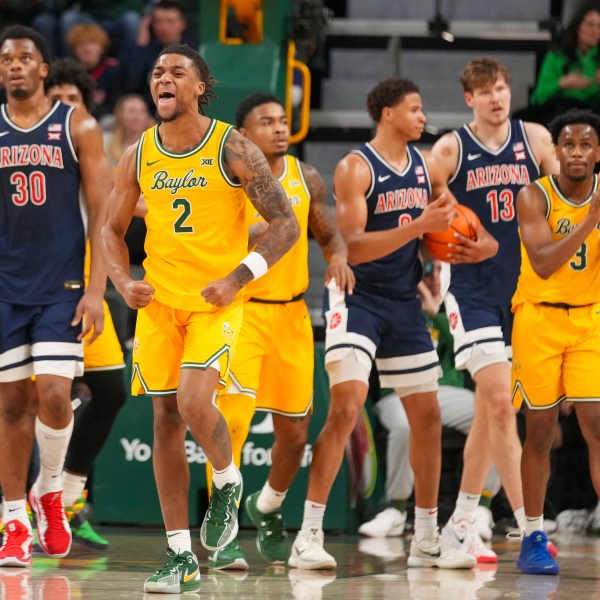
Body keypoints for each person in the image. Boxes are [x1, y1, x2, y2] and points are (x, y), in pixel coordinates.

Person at [101, 44, 299, 593]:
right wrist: (123, 282)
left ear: (200, 88)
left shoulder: (232, 147)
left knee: (193, 402)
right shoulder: (139, 153)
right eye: (157, 71)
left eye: (177, 72)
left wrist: (237, 278)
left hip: (218, 301)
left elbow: (285, 225)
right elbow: (108, 232)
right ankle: (180, 556)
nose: (163, 77)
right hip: (159, 302)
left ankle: (228, 481)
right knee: (165, 422)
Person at [288, 77, 478, 571]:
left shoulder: (428, 165)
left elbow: (448, 216)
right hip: (356, 297)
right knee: (347, 406)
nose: (422, 117)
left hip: (402, 300)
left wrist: (451, 251)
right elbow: (351, 243)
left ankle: (428, 535)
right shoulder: (356, 167)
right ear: (387, 113)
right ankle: (309, 534)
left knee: (429, 416)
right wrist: (420, 227)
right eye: (414, 109)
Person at [204, 92, 354, 570]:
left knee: (294, 437)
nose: (279, 128)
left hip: (291, 317)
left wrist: (338, 258)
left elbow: (328, 233)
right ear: (243, 135)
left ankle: (267, 507)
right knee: (229, 427)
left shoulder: (305, 176)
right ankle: (222, 534)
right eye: (266, 122)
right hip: (243, 312)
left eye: (283, 120)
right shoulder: (228, 180)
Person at [430, 56, 559, 562]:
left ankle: (459, 523)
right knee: (502, 407)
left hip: (525, 293)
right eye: (485, 92)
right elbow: (428, 211)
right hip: (472, 292)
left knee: (490, 412)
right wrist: (472, 237)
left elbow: (563, 203)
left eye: (501, 88)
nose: (496, 98)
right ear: (470, 100)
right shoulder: (450, 149)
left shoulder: (536, 140)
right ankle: (532, 532)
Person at [0, 25, 110, 567]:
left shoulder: (77, 125)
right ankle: (15, 520)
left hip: (62, 286)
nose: (15, 66)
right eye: (6, 60)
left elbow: (104, 218)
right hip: (5, 288)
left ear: (44, 69)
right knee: (11, 403)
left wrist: (96, 291)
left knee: (52, 393)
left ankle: (49, 489)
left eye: (25, 58)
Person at [359, 257, 501, 549]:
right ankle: (396, 510)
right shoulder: (397, 300)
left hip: (447, 392)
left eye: (440, 270)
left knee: (497, 415)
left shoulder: (455, 305)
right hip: (398, 393)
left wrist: (436, 312)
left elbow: (464, 347)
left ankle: (481, 507)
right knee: (404, 425)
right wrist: (420, 306)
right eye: (427, 270)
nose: (434, 276)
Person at [512, 108, 600, 575]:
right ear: (557, 151)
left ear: (598, 153)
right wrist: (589, 222)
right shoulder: (534, 196)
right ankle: (532, 536)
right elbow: (543, 263)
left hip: (589, 320)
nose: (577, 152)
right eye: (569, 144)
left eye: (586, 144)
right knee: (541, 432)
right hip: (539, 320)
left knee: (597, 428)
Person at [45, 57, 128, 550]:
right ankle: (24, 508)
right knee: (29, 402)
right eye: (55, 101)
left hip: (87, 289)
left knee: (110, 391)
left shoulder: (98, 160)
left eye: (72, 101)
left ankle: (70, 495)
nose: (63, 111)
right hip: (36, 291)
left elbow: (134, 204)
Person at [526, 5, 600, 126]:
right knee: (563, 107)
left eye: (599, 26)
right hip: (561, 112)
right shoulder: (557, 56)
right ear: (577, 27)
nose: (596, 31)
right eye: (590, 25)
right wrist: (561, 84)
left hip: (592, 116)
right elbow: (537, 98)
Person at [124, 0, 190, 112]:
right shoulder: (142, 49)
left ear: (182, 24)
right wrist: (140, 47)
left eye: (170, 22)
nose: (163, 27)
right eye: (158, 22)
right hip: (147, 113)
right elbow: (130, 85)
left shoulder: (192, 52)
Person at [66, 23, 121, 120]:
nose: (87, 49)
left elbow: (116, 105)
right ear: (74, 50)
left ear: (102, 48)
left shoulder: (113, 71)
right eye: (81, 44)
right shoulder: (67, 73)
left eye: (92, 43)